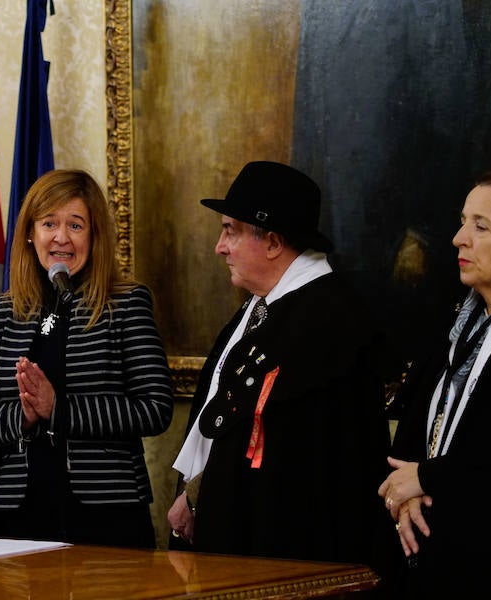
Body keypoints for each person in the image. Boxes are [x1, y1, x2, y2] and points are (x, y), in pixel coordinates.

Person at [168, 161, 389, 566]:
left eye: (230, 230)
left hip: (286, 556)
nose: (220, 246)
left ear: (272, 243)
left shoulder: (330, 322)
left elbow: (299, 460)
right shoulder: (262, 307)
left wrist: (200, 499)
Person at [0, 169, 174, 548]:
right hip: (19, 510)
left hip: (108, 511)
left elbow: (155, 408)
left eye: (75, 225)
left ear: (94, 235)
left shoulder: (125, 303)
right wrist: (24, 414)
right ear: (30, 233)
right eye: (48, 224)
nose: (61, 237)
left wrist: (59, 409)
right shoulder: (2, 311)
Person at [377, 170, 491, 598]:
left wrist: (427, 478)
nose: (458, 238)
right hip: (429, 550)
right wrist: (404, 493)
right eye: (463, 221)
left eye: (480, 226)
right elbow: (414, 420)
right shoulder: (454, 318)